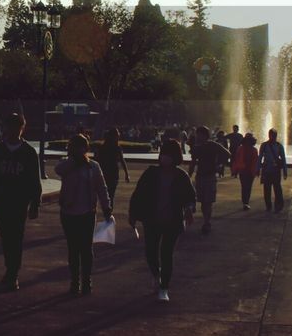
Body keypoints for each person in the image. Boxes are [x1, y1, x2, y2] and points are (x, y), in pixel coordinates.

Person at [0, 113, 43, 291]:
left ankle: (13, 273)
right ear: (5, 128)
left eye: (17, 127)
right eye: (10, 127)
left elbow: (34, 180)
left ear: (22, 128)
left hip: (20, 202)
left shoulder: (29, 152)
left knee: (17, 237)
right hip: (1, 200)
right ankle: (10, 268)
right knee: (6, 237)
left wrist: (36, 203)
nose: (13, 131)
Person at [128, 139, 196, 303]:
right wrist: (133, 215)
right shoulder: (151, 173)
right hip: (151, 219)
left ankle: (164, 287)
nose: (164, 158)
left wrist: (188, 209)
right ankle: (155, 273)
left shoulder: (181, 176)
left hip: (172, 221)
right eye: (163, 154)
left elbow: (190, 197)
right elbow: (138, 195)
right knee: (150, 251)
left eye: (169, 155)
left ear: (175, 157)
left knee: (166, 254)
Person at [55, 134, 113, 296]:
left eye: (81, 147)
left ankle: (86, 280)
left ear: (86, 148)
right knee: (73, 249)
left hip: (87, 212)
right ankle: (75, 281)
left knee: (86, 249)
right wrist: (74, 161)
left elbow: (102, 188)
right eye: (74, 147)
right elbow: (58, 170)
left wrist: (106, 207)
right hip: (68, 212)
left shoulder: (93, 167)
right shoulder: (67, 164)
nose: (78, 150)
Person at [187, 126, 231, 233]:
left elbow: (227, 154)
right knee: (202, 201)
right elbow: (193, 162)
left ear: (205, 135)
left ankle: (207, 222)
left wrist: (219, 165)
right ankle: (206, 220)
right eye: (197, 134)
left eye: (199, 134)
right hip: (200, 176)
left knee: (208, 201)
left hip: (210, 177)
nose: (197, 136)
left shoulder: (212, 145)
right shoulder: (197, 147)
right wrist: (189, 175)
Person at [93, 127, 131, 210]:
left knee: (106, 194)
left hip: (106, 173)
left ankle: (107, 211)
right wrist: (126, 174)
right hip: (110, 174)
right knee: (110, 195)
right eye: (117, 135)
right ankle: (108, 212)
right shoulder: (116, 147)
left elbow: (96, 160)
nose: (118, 136)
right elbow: (122, 161)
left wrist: (127, 174)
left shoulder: (103, 147)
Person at [258, 128, 287, 214]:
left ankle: (278, 205)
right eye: (271, 135)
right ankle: (269, 205)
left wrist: (285, 171)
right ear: (269, 135)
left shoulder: (279, 146)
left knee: (277, 188)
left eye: (274, 135)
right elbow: (260, 158)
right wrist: (257, 169)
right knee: (267, 189)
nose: (273, 137)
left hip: (275, 170)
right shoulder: (264, 145)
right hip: (267, 170)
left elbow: (283, 159)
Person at [230, 133, 259, 210]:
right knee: (244, 187)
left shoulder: (254, 150)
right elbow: (236, 160)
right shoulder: (240, 149)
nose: (248, 142)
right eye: (247, 140)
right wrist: (235, 170)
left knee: (248, 187)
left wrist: (257, 170)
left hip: (250, 171)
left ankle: (246, 202)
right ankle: (245, 202)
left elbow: (256, 161)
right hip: (243, 171)